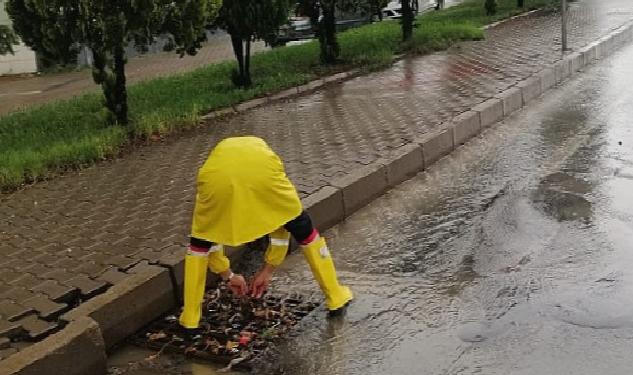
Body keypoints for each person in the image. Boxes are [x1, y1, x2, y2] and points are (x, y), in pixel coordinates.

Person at [179, 136, 353, 331]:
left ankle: (190, 318)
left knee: (200, 245)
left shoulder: (212, 175)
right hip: (265, 172)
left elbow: (211, 240)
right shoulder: (264, 155)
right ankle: (335, 296)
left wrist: (228, 275)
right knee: (303, 230)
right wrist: (268, 269)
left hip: (215, 180)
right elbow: (280, 226)